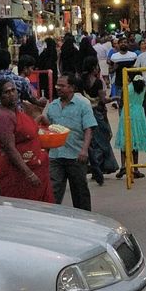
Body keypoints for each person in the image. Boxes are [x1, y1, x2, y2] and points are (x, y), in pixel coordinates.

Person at [0, 78, 54, 202]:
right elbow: (10, 149)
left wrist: (39, 119)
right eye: (6, 92)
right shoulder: (4, 117)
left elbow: (23, 132)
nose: (11, 94)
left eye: (13, 90)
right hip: (17, 175)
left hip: (34, 167)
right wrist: (29, 174)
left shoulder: (14, 111)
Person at [45, 75, 97, 210]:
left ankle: (85, 222)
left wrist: (84, 150)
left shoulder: (83, 104)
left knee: (80, 192)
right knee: (53, 192)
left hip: (76, 156)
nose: (58, 88)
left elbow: (89, 129)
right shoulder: (52, 106)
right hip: (55, 156)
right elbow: (47, 128)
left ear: (72, 88)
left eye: (62, 86)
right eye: (57, 85)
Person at [78, 57, 118, 184]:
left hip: (85, 114)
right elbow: (103, 100)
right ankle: (98, 167)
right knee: (103, 139)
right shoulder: (98, 82)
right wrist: (116, 97)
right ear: (94, 68)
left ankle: (94, 166)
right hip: (98, 114)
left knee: (92, 141)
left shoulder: (80, 82)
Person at [115, 74, 146, 178]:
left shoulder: (127, 88)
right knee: (135, 140)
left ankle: (123, 166)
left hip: (127, 113)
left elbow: (122, 101)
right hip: (138, 114)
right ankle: (135, 168)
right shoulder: (143, 87)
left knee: (125, 139)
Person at [109, 35, 138, 100]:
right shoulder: (114, 57)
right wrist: (114, 68)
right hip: (119, 84)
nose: (123, 44)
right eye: (121, 42)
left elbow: (137, 69)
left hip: (131, 84)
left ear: (128, 44)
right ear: (118, 44)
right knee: (120, 103)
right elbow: (110, 71)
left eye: (125, 42)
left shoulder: (133, 55)